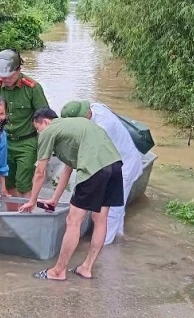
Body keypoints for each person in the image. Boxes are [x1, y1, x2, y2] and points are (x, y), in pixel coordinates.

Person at [19, 108, 124, 281]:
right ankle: (86, 268)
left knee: (73, 221)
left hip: (94, 170)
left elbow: (40, 172)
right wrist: (54, 199)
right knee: (101, 219)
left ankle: (58, 271)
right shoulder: (74, 127)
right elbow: (68, 169)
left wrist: (32, 201)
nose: (39, 133)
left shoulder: (49, 130)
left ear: (44, 122)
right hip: (115, 166)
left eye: (37, 129)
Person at [60, 100, 144, 245]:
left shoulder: (101, 127)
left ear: (84, 117)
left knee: (110, 210)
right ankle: (119, 236)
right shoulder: (95, 107)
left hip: (124, 163)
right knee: (117, 207)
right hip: (115, 158)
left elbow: (90, 162)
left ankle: (106, 248)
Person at [0, 49, 50, 206]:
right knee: (7, 182)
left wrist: (46, 146)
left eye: (9, 76)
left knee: (24, 182)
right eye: (3, 76)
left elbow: (44, 117)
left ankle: (26, 218)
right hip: (3, 142)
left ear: (19, 70)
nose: (5, 79)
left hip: (26, 142)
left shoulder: (32, 88)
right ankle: (14, 218)